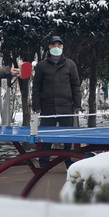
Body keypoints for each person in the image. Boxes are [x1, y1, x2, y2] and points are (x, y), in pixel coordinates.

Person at [32, 36, 82, 168]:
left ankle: (68, 162)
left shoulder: (70, 65)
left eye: (59, 45)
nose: (56, 48)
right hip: (47, 107)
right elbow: (36, 87)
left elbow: (75, 85)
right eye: (53, 45)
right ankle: (44, 164)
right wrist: (36, 104)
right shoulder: (41, 66)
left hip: (66, 107)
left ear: (62, 47)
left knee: (67, 138)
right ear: (49, 47)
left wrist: (77, 104)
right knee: (45, 137)